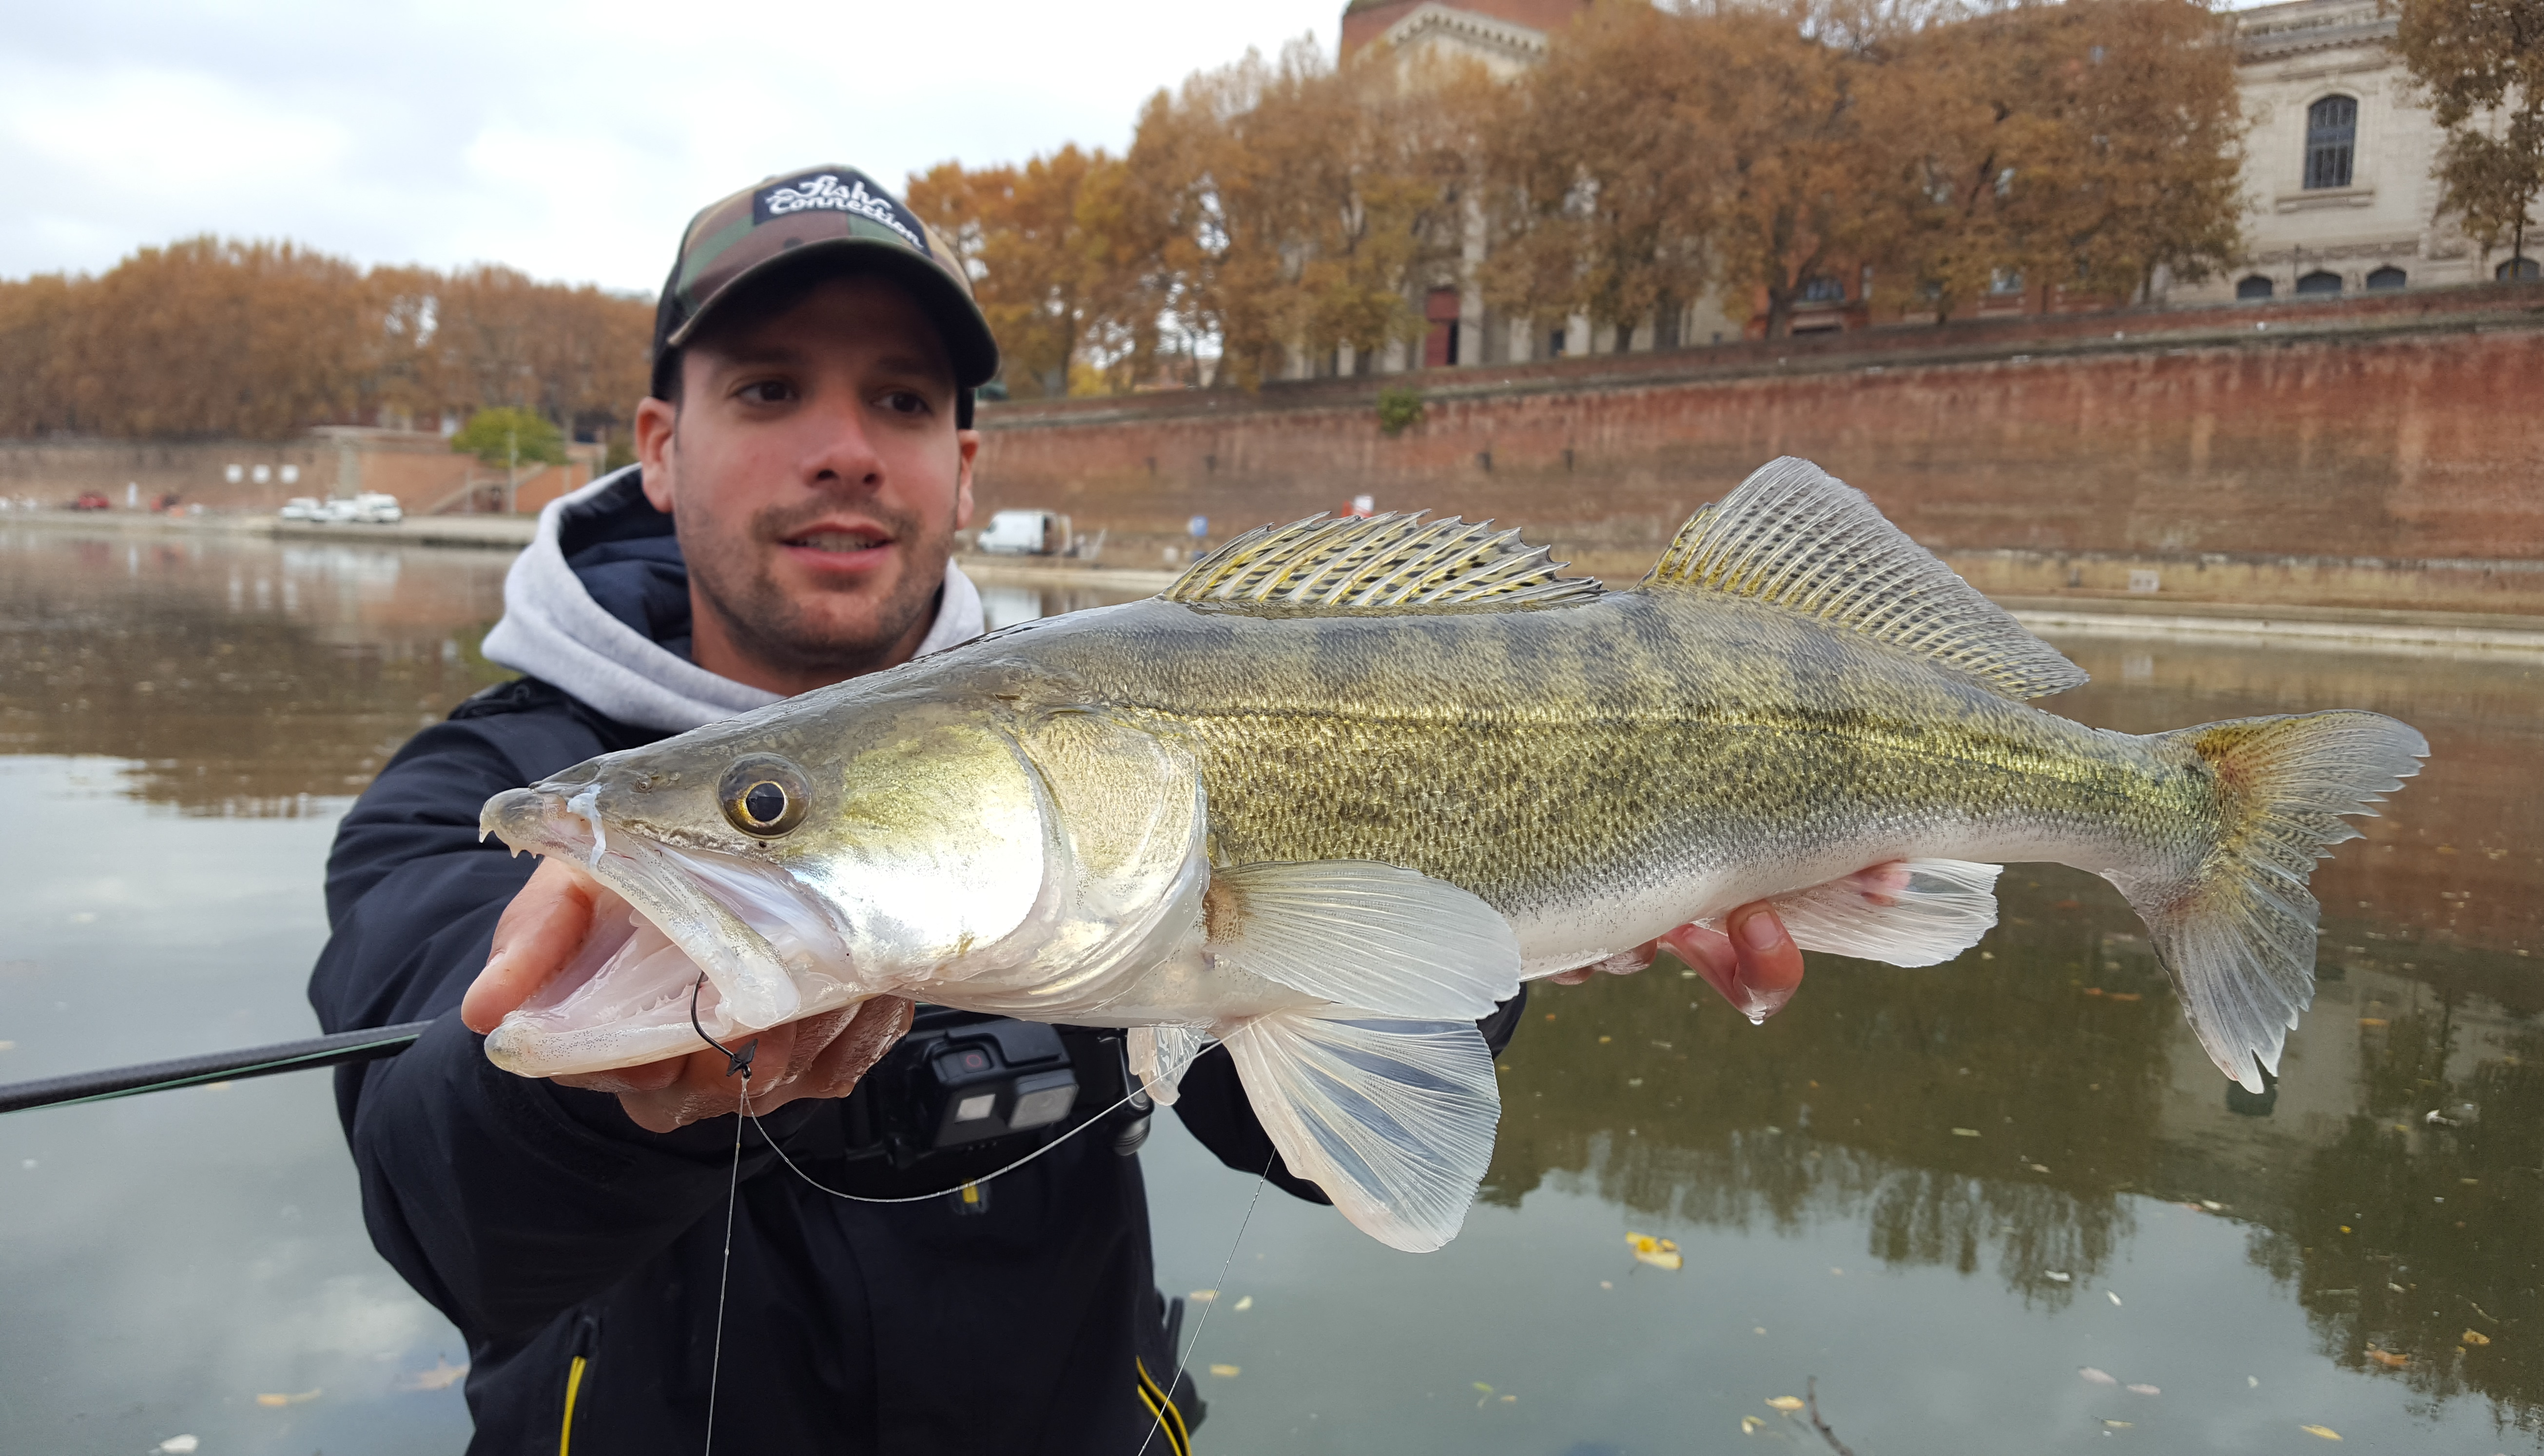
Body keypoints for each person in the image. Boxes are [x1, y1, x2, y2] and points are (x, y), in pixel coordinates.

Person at [307, 163, 1808, 1455]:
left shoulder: (1125, 744)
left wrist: (1520, 917)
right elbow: (450, 1206)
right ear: (656, 445)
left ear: (962, 468)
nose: (844, 445)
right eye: (769, 388)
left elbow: (1282, 1125)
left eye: (901, 399)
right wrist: (596, 1100)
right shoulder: (476, 792)